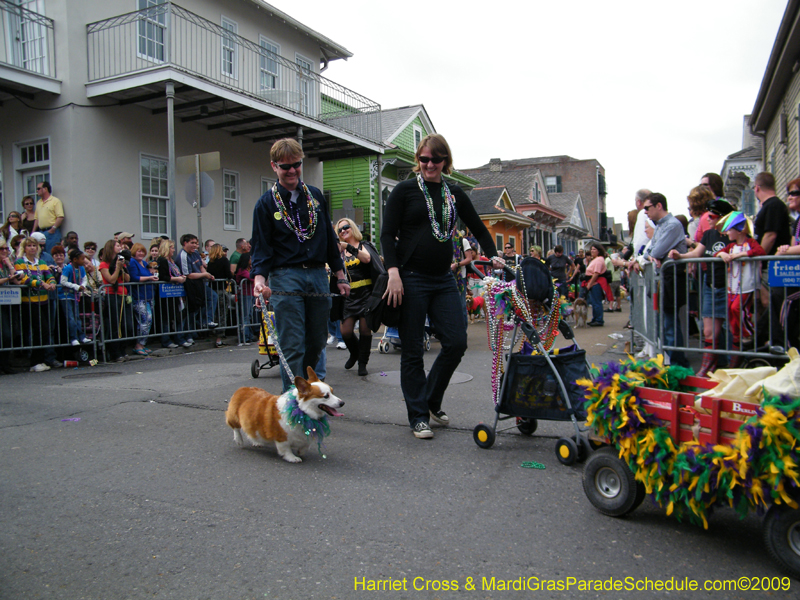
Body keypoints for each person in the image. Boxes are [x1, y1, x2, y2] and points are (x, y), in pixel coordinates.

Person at [380, 133, 503, 439]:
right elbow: (386, 234)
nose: (429, 164)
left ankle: (431, 400)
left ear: (445, 161)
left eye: (436, 159)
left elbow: (477, 226)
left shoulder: (454, 193)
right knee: (412, 351)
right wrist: (393, 272)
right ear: (417, 161)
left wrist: (494, 254)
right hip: (410, 278)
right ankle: (418, 416)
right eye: (424, 159)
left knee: (456, 342)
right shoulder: (405, 191)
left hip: (443, 278)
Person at [251, 138, 349, 392]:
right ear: (274, 166)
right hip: (285, 276)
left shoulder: (315, 196)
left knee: (317, 341)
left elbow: (328, 238)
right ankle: (292, 403)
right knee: (292, 344)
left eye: (296, 165)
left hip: (317, 274)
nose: (292, 171)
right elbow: (261, 247)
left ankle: (309, 394)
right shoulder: (265, 204)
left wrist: (340, 275)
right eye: (286, 167)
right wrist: (259, 280)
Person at [669, 198, 734, 376]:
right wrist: (680, 256)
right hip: (710, 284)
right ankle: (707, 367)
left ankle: (732, 368)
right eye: (708, 215)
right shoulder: (709, 234)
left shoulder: (733, 234)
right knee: (708, 330)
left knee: (731, 329)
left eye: (712, 216)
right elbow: (697, 253)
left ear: (723, 217)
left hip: (730, 286)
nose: (709, 219)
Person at [642, 193, 690, 368]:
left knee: (669, 324)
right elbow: (650, 252)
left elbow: (655, 252)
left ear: (658, 206)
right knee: (663, 324)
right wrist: (652, 254)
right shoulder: (662, 226)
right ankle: (676, 362)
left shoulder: (672, 225)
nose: (645, 211)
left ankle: (680, 364)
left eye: (647, 208)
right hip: (664, 278)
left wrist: (653, 254)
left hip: (672, 278)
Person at [716, 212, 766, 367]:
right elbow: (718, 253)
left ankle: (748, 334)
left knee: (738, 308)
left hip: (746, 286)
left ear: (739, 230)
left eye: (730, 230)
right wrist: (722, 254)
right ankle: (737, 338)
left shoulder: (750, 243)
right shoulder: (730, 246)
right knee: (731, 311)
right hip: (733, 286)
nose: (727, 233)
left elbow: (760, 252)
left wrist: (743, 255)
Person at [336, 217, 384, 376]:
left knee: (365, 330)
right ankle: (355, 353)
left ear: (352, 228)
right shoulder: (340, 251)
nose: (343, 231)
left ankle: (362, 363)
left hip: (366, 295)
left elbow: (367, 258)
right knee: (346, 332)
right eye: (340, 230)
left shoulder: (364, 246)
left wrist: (348, 246)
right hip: (349, 296)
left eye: (346, 227)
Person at [752, 172, 792, 346]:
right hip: (770, 262)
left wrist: (759, 258)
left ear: (757, 188)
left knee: (769, 301)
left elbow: (770, 235)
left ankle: (770, 338)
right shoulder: (769, 206)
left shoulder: (773, 205)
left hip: (774, 263)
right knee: (763, 301)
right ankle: (766, 338)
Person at [15, 236, 59, 371]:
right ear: (24, 248)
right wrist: (42, 284)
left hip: (43, 301)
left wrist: (51, 283)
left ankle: (40, 360)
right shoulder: (20, 262)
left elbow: (48, 275)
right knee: (37, 330)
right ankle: (34, 361)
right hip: (29, 302)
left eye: (34, 246)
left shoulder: (41, 262)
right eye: (29, 246)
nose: (32, 248)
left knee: (44, 331)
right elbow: (25, 280)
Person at [177, 233, 218, 331]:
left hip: (200, 283)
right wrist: (204, 275)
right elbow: (188, 275)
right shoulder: (183, 255)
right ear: (185, 243)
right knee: (192, 310)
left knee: (212, 296)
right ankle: (187, 332)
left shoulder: (195, 253)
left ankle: (206, 320)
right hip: (190, 285)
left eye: (196, 243)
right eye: (192, 243)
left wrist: (208, 274)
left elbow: (201, 267)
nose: (195, 245)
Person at [99, 239, 132, 362]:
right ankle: (115, 352)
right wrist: (117, 268)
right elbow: (112, 280)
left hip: (123, 295)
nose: (120, 247)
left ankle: (123, 349)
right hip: (112, 295)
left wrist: (122, 267)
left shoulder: (121, 262)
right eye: (118, 245)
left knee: (126, 325)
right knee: (115, 325)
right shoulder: (103, 265)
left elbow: (127, 279)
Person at [156, 239, 190, 349]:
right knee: (166, 318)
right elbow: (163, 276)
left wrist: (181, 277)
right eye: (171, 248)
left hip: (176, 293)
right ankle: (166, 340)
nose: (173, 250)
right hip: (166, 293)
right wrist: (176, 278)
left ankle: (180, 338)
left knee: (178, 316)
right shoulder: (162, 260)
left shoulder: (172, 261)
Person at [128, 243, 158, 355]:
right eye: (138, 251)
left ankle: (143, 343)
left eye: (142, 251)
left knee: (148, 321)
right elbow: (134, 277)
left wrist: (152, 273)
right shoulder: (132, 262)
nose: (140, 253)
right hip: (139, 297)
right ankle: (138, 345)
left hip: (149, 296)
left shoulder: (145, 263)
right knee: (145, 320)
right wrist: (149, 277)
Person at [59, 248, 91, 347]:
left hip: (75, 296)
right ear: (75, 259)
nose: (84, 261)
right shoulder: (68, 268)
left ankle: (81, 336)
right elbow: (63, 281)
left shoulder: (81, 268)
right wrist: (76, 286)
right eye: (82, 259)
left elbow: (84, 279)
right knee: (71, 318)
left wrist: (83, 286)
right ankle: (73, 338)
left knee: (77, 317)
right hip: (66, 296)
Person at [0, 240, 24, 373]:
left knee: (10, 333)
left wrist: (9, 264)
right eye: (1, 249)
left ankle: (6, 364)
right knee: (4, 334)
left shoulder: (6, 264)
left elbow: (17, 280)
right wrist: (7, 279)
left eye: (6, 249)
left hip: (8, 301)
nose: (4, 251)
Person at [206, 243, 231, 347]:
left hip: (212, 290)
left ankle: (214, 334)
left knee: (215, 313)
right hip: (220, 289)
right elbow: (228, 275)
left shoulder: (210, 262)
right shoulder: (224, 260)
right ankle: (219, 337)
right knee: (222, 313)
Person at [34, 182, 64, 253]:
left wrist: (53, 229)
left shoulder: (55, 201)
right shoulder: (38, 202)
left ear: (45, 189)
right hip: (41, 232)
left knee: (52, 253)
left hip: (52, 232)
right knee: (41, 253)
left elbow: (60, 216)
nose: (37, 191)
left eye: (38, 189)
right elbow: (36, 219)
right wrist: (33, 232)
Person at [233, 251, 256, 344]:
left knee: (249, 315)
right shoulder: (242, 271)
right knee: (245, 316)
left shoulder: (249, 268)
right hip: (244, 294)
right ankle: (244, 337)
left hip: (250, 294)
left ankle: (249, 335)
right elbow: (251, 278)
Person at [584, 243, 608, 326]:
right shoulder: (595, 259)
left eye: (594, 249)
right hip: (593, 282)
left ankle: (598, 319)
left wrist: (590, 283)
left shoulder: (599, 260)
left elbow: (596, 273)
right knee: (594, 302)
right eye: (591, 249)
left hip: (596, 283)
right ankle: (595, 318)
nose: (592, 251)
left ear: (599, 251)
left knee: (596, 302)